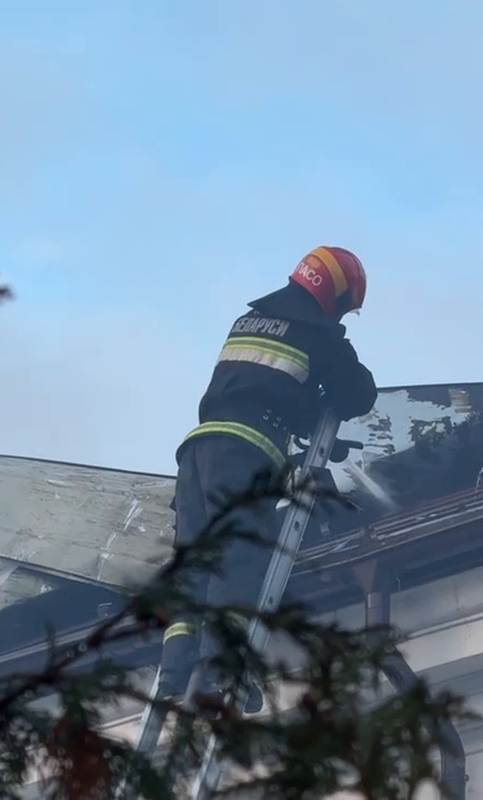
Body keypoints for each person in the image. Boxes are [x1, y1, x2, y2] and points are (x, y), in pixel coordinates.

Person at [157, 245, 378, 711]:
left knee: (193, 565)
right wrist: (326, 395)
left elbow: (262, 387)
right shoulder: (319, 333)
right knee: (237, 556)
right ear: (336, 295)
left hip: (197, 453)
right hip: (243, 452)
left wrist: (306, 416)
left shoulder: (248, 322)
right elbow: (357, 393)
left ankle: (174, 671)